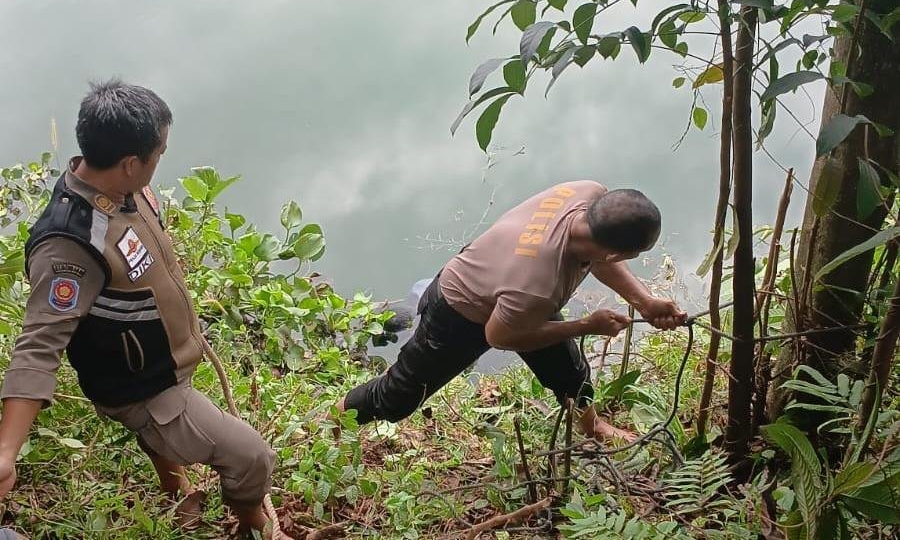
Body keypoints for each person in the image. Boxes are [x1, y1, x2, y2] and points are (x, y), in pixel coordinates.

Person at [0, 80, 285, 538]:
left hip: (159, 360)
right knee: (250, 454)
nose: (161, 161)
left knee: (179, 438)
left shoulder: (117, 188)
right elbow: (37, 347)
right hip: (145, 389)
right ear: (131, 163)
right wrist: (6, 453)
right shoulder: (69, 246)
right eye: (159, 154)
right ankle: (256, 527)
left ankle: (176, 488)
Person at [337, 181, 686, 440]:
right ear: (615, 253)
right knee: (396, 399)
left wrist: (646, 301)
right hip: (460, 311)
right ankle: (331, 419)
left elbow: (596, 258)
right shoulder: (536, 283)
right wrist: (585, 325)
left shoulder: (587, 193)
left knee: (569, 371)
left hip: (509, 290)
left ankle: (591, 425)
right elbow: (501, 335)